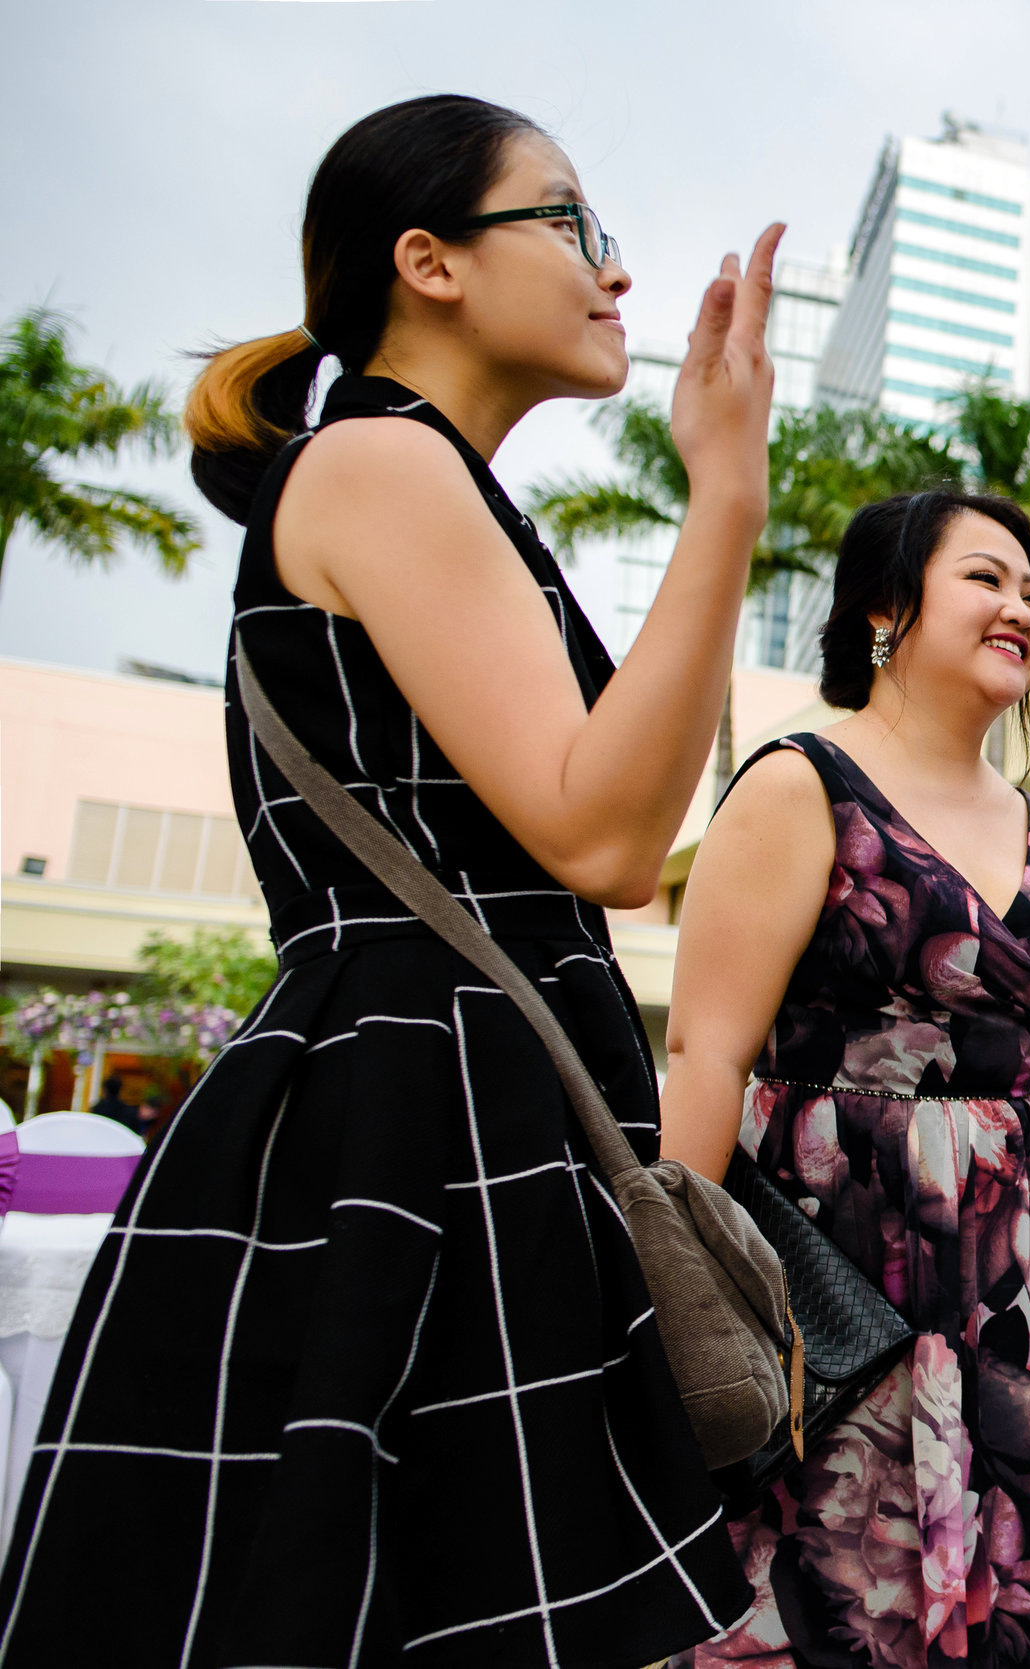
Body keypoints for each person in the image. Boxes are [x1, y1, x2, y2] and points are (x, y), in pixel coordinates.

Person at [0, 95, 779, 1665]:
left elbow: (606, 830)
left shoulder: (423, 480)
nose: (609, 270)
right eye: (566, 221)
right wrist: (728, 494)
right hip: (423, 1106)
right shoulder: (378, 465)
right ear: (428, 261)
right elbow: (609, 837)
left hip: (436, 1089)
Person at [660, 491, 1030, 1669]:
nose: (1020, 607)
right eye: (984, 579)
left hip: (1005, 1254)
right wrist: (666, 1289)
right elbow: (703, 1049)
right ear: (883, 613)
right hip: (834, 1238)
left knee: (1009, 1588)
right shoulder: (799, 782)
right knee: (836, 1578)